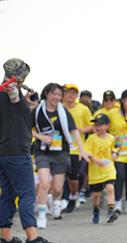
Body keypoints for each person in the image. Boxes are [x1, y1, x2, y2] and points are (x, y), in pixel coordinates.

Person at [0, 58, 59, 243]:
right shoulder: (11, 90)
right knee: (26, 194)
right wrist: (15, 89)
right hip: (17, 152)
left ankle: (5, 236)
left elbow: (15, 109)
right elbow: (13, 95)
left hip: (3, 152)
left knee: (7, 195)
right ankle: (32, 236)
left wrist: (27, 104)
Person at [32, 83, 89, 228]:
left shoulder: (63, 111)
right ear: (46, 94)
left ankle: (56, 202)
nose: (57, 97)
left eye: (59, 95)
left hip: (61, 152)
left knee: (57, 188)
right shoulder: (38, 111)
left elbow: (74, 130)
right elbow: (28, 129)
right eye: (54, 94)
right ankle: (42, 215)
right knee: (44, 183)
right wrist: (40, 137)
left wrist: (82, 150)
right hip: (42, 151)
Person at [62, 83, 93, 213]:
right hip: (61, 147)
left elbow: (91, 126)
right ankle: (64, 199)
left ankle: (73, 195)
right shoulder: (59, 107)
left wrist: (78, 130)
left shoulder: (83, 109)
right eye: (68, 92)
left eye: (74, 93)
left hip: (77, 148)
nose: (71, 95)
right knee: (61, 175)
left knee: (75, 176)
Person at [84, 114, 119, 224]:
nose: (97, 127)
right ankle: (96, 210)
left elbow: (115, 148)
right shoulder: (91, 139)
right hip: (95, 170)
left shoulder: (111, 138)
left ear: (107, 126)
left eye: (100, 125)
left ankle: (110, 211)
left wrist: (114, 154)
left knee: (110, 188)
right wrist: (95, 160)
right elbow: (87, 153)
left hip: (108, 168)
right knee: (96, 195)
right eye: (96, 125)